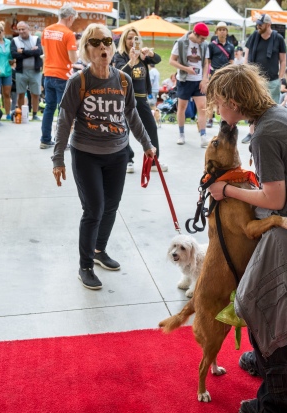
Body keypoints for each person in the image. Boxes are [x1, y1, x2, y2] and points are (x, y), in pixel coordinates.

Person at [205, 63, 287, 413]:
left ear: (233, 100)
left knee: (257, 305)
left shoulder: (264, 134)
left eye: (219, 103)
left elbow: (274, 200)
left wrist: (225, 189)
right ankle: (266, 366)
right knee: (261, 305)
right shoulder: (277, 117)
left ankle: (281, 399)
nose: (218, 110)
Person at [51, 24, 155, 290]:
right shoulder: (79, 81)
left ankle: (99, 250)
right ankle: (84, 265)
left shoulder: (123, 80)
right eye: (95, 42)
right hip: (86, 153)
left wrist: (147, 144)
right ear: (86, 48)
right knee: (94, 209)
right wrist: (58, 159)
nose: (102, 47)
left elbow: (132, 115)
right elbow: (64, 121)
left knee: (111, 206)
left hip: (118, 153)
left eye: (107, 41)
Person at [113, 27, 165, 174]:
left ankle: (153, 161)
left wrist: (150, 53)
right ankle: (127, 160)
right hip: (126, 98)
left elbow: (158, 59)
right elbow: (119, 74)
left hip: (142, 99)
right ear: (124, 39)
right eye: (129, 38)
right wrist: (132, 60)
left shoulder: (143, 55)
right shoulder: (120, 55)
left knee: (151, 127)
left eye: (135, 38)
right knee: (125, 130)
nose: (132, 41)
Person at [242, 13, 287, 143]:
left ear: (268, 24)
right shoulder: (254, 36)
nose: (258, 26)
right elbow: (246, 56)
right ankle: (251, 133)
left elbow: (283, 60)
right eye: (257, 23)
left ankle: (271, 134)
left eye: (260, 24)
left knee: (272, 108)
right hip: (254, 79)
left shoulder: (278, 38)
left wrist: (280, 78)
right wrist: (245, 73)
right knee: (252, 106)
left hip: (272, 80)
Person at [40, 4, 78, 149]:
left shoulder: (46, 31)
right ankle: (61, 141)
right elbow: (73, 59)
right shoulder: (68, 34)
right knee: (64, 110)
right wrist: (79, 54)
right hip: (63, 74)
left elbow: (45, 53)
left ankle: (45, 139)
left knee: (49, 108)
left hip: (48, 73)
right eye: (73, 19)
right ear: (69, 18)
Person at [169, 22, 210, 147]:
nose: (203, 41)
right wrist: (186, 69)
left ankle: (203, 136)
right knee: (182, 108)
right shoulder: (180, 42)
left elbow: (206, 63)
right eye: (201, 38)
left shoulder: (204, 45)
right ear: (195, 34)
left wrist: (204, 79)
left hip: (198, 80)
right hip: (184, 80)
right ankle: (181, 134)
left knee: (202, 107)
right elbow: (171, 61)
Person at [10, 21, 43, 121]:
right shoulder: (14, 40)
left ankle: (35, 114)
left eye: (23, 29)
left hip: (35, 71)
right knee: (20, 93)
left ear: (28, 29)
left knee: (36, 93)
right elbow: (14, 54)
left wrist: (23, 51)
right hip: (21, 71)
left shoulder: (36, 39)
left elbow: (39, 52)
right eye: (19, 29)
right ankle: (21, 114)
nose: (21, 31)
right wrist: (31, 52)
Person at [207, 21, 234, 128]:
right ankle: (210, 118)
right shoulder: (211, 45)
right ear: (216, 32)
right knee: (212, 98)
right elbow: (208, 61)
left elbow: (232, 62)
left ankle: (224, 119)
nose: (222, 32)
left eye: (224, 30)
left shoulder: (231, 46)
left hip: (226, 75)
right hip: (214, 74)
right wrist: (208, 74)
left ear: (227, 32)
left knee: (225, 98)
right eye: (220, 30)